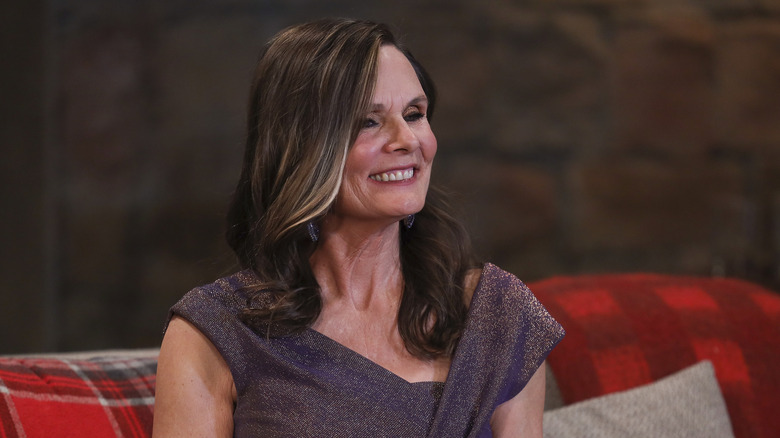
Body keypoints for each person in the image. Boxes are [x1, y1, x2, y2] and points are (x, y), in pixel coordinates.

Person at [152, 18, 564, 438]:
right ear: (302, 146)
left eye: (414, 114)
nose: (406, 139)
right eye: (368, 121)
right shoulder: (215, 331)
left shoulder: (497, 315)